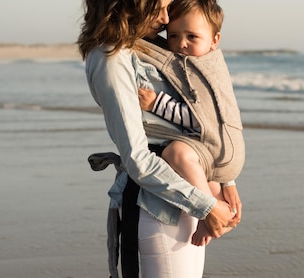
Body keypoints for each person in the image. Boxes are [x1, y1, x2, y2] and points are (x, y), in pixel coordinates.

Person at [78, 0, 241, 277]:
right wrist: (207, 206)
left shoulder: (152, 48)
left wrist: (225, 179)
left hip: (188, 198)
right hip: (155, 206)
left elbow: (203, 118)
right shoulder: (111, 59)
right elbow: (137, 160)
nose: (166, 19)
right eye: (160, 7)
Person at [136, 0, 242, 247]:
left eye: (192, 36)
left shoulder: (206, 69)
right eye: (173, 35)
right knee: (217, 196)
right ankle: (216, 219)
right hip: (206, 153)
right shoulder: (183, 63)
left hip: (210, 148)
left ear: (215, 40)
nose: (181, 43)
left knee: (176, 153)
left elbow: (202, 118)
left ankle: (207, 214)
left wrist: (157, 104)